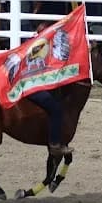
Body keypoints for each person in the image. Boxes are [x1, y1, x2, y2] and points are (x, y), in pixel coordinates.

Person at [25, 22, 70, 156]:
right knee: (56, 109)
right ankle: (54, 144)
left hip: (30, 84)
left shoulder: (34, 44)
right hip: (32, 86)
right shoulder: (40, 48)